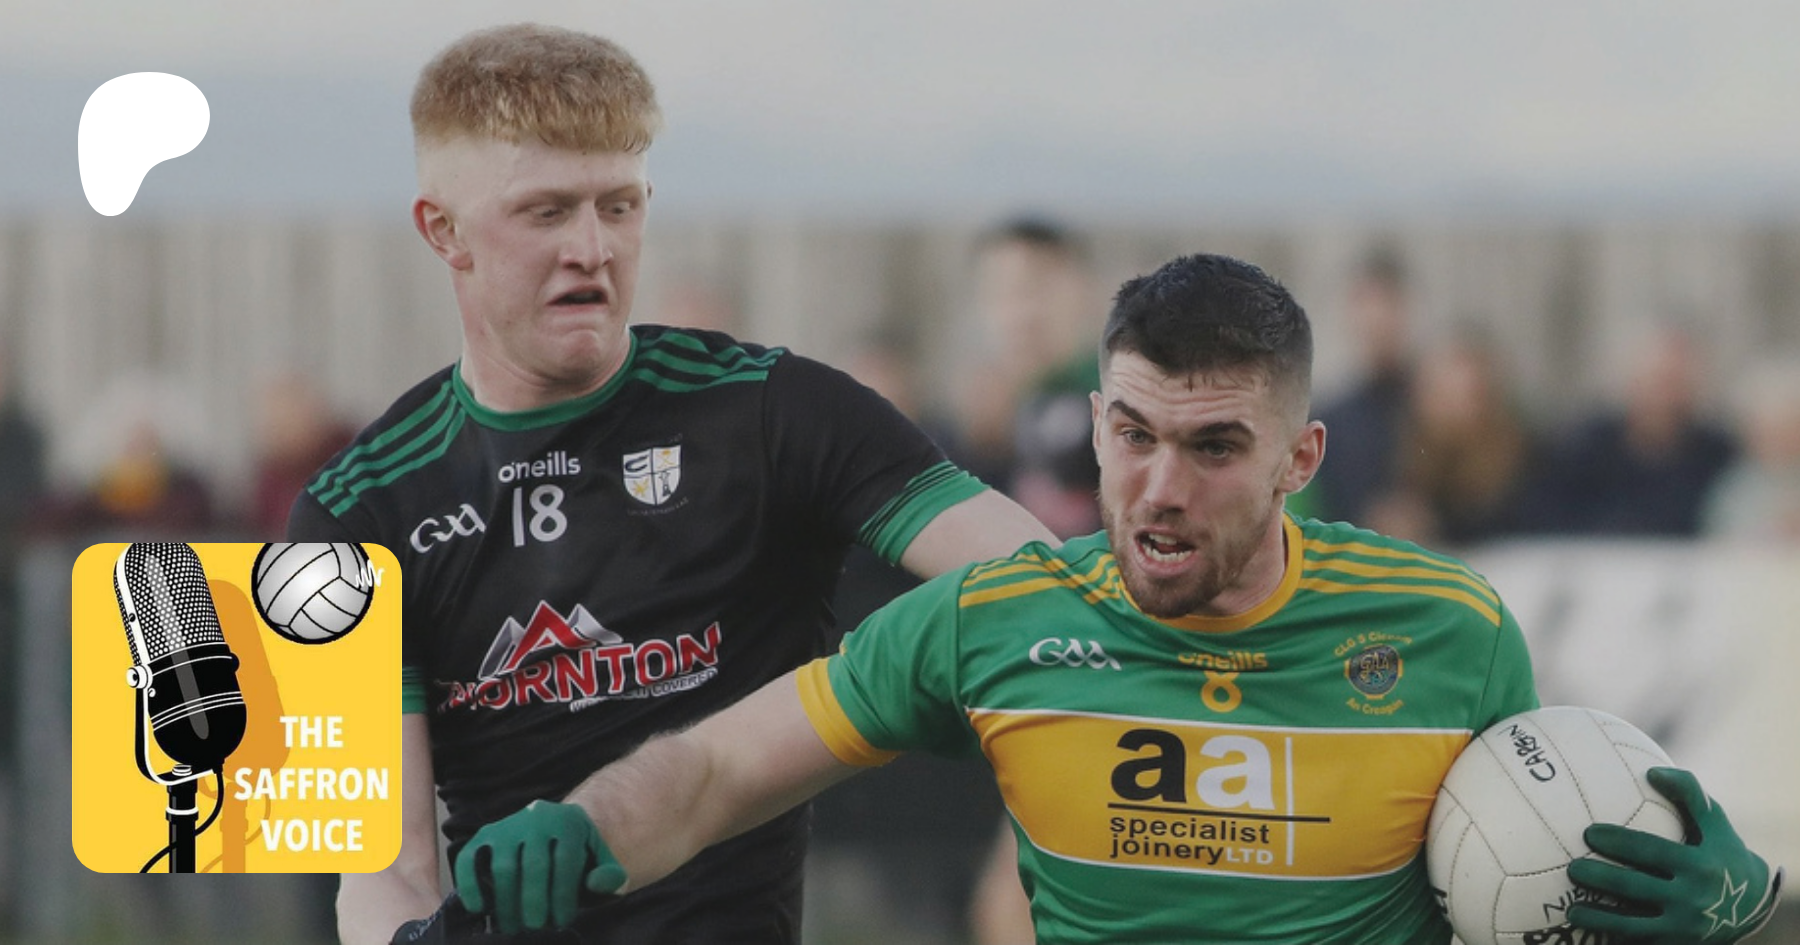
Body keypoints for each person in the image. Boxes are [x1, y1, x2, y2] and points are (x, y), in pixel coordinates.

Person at [455, 254, 1782, 944]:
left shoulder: (1450, 630)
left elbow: (1534, 884)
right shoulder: (996, 618)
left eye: (1215, 449)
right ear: (1095, 424)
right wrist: (580, 824)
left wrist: (1745, 909)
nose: (1160, 487)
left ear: (1301, 459)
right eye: (1134, 435)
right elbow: (709, 773)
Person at [286, 24, 1052, 945]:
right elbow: (381, 867)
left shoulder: (775, 412)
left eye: (619, 206)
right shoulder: (351, 511)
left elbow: (1044, 582)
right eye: (546, 212)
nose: (592, 247)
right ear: (442, 229)